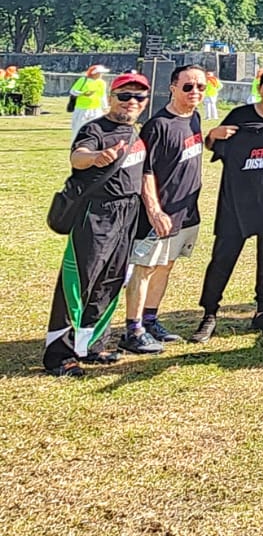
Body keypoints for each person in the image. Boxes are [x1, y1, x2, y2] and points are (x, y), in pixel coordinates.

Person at [43, 72, 150, 376]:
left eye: (138, 97)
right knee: (78, 282)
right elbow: (78, 156)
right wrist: (95, 157)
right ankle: (59, 354)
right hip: (97, 213)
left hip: (127, 213)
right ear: (111, 98)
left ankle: (91, 345)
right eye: (125, 96)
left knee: (111, 281)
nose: (131, 102)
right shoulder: (96, 128)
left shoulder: (136, 131)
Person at [194, 67, 263, 340]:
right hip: (237, 203)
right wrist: (213, 136)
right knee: (222, 260)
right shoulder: (241, 118)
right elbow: (214, 145)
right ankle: (209, 314)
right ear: (259, 87)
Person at [120, 65, 208, 354]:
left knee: (166, 265)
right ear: (172, 87)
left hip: (185, 212)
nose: (194, 92)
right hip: (159, 214)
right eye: (187, 87)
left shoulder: (194, 118)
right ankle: (133, 330)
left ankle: (150, 319)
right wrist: (155, 210)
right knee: (144, 268)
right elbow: (144, 171)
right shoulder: (158, 125)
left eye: (200, 87)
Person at [67, 63, 108, 139]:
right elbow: (73, 91)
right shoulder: (83, 80)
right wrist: (83, 94)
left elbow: (103, 95)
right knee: (79, 127)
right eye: (99, 73)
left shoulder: (102, 83)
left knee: (96, 127)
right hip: (82, 108)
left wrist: (105, 107)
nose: (101, 75)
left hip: (96, 108)